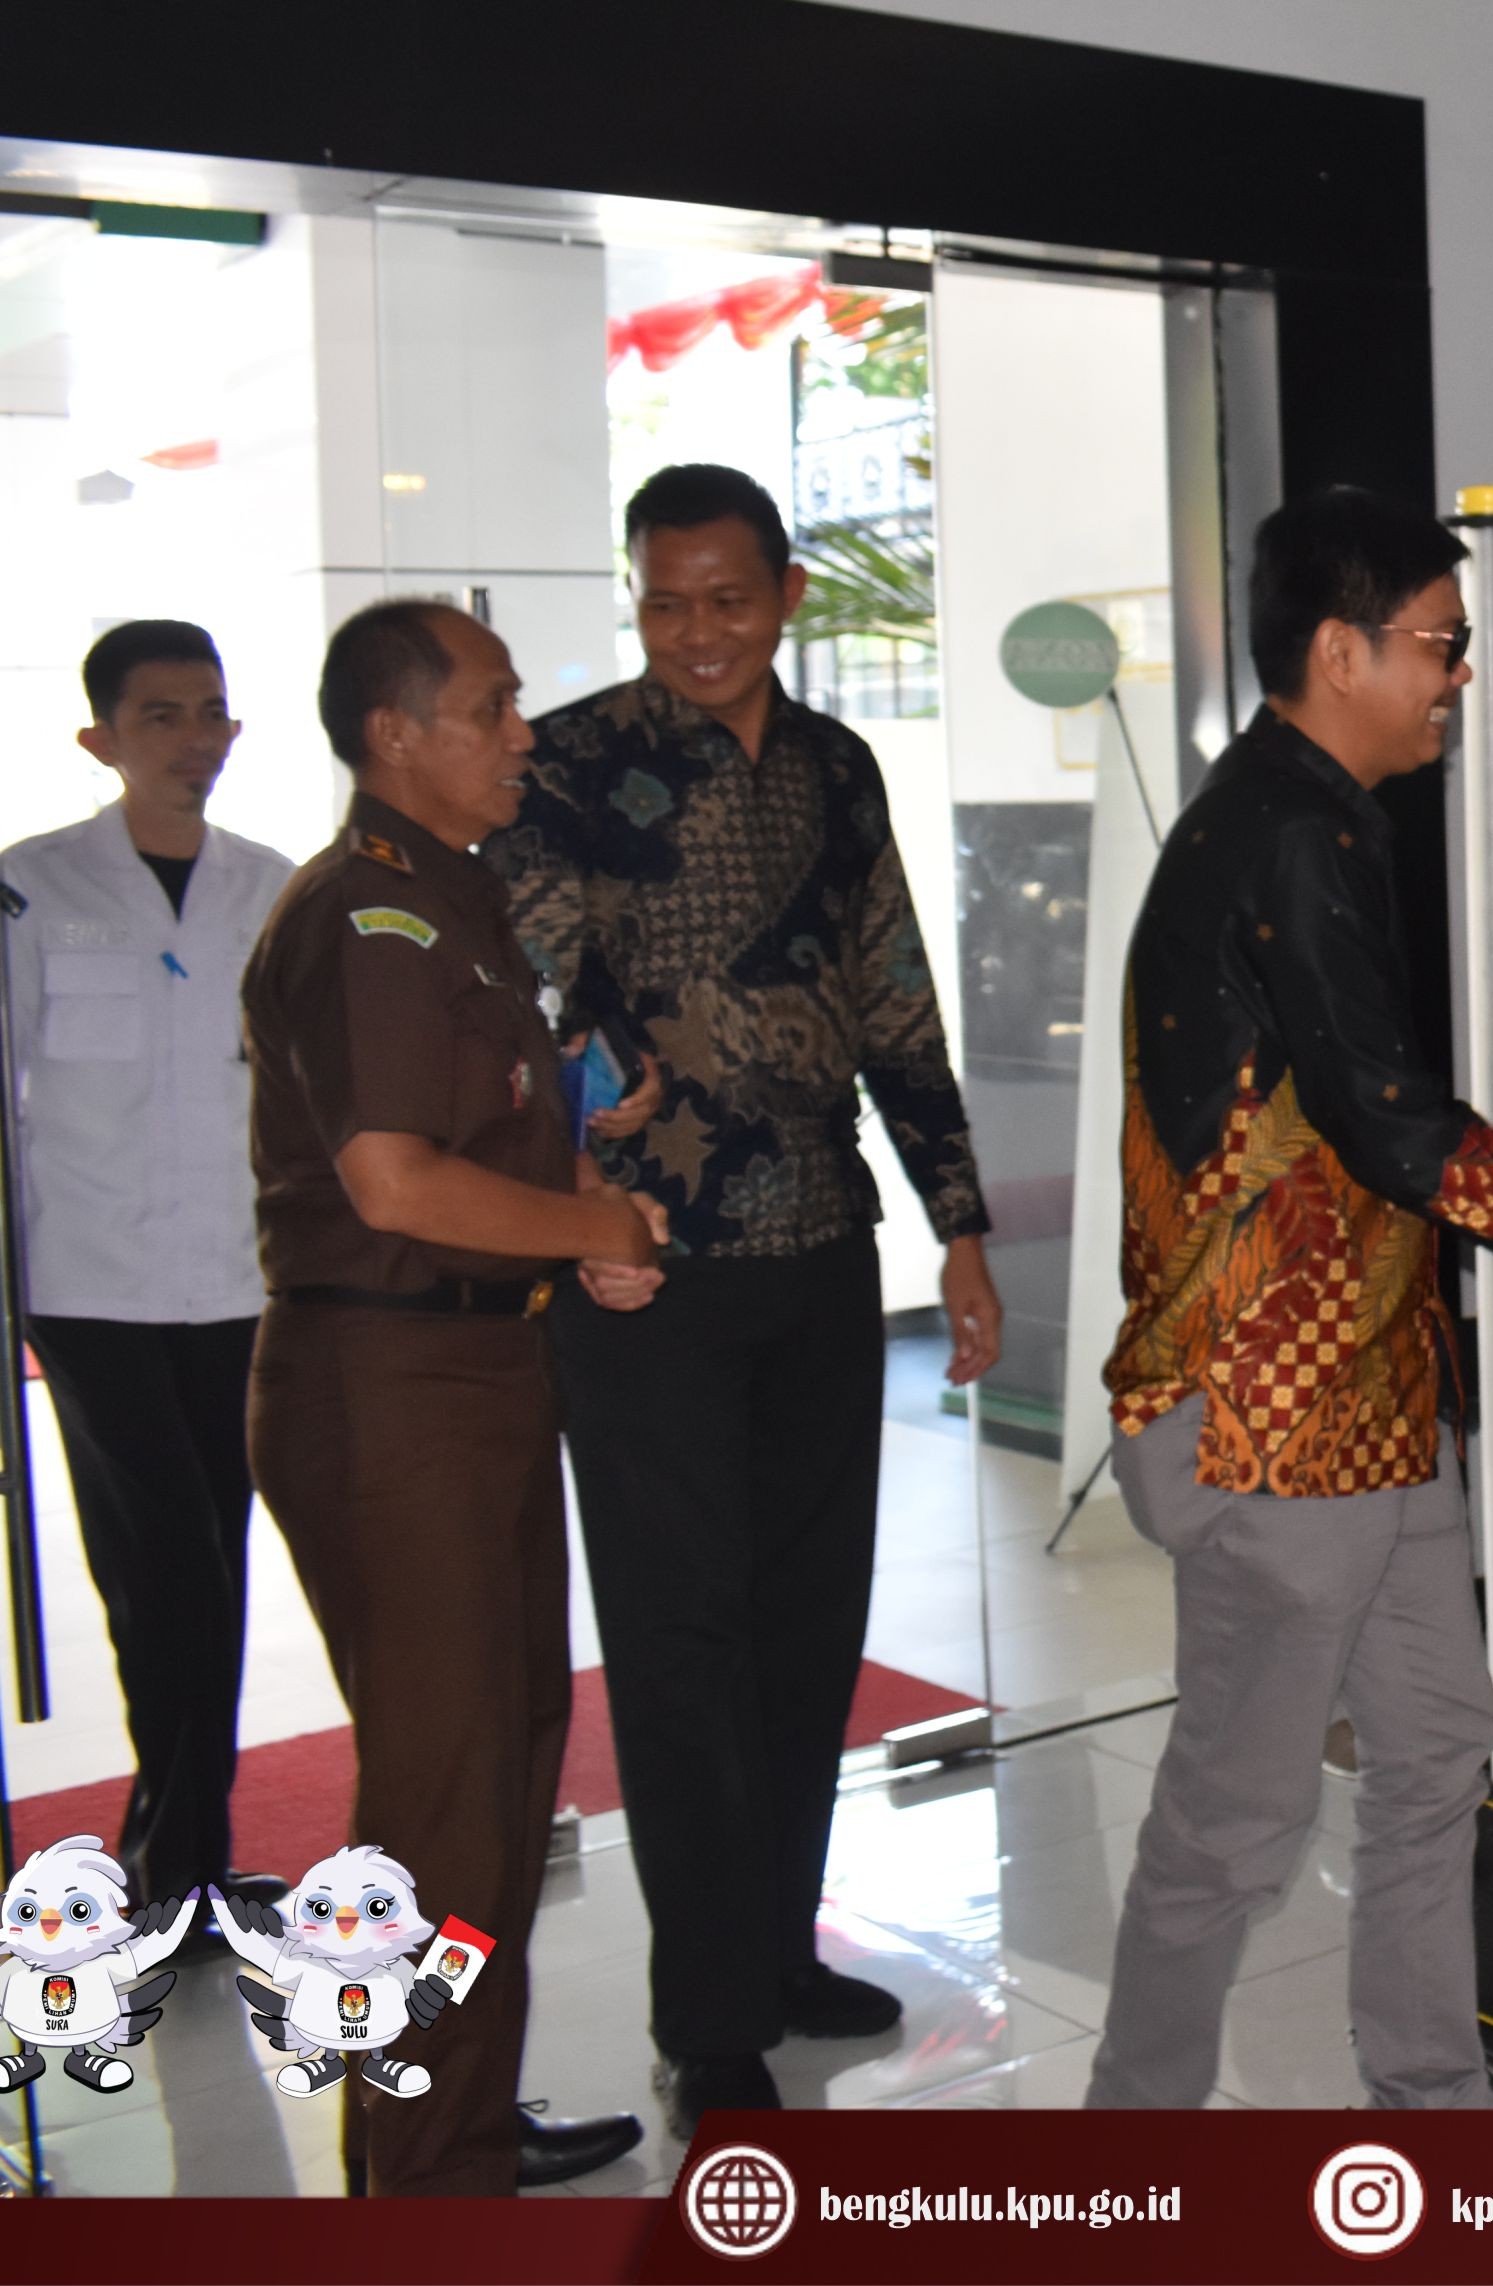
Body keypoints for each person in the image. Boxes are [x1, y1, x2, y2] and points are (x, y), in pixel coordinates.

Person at [1086, 486, 1493, 2111]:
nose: (1458, 674)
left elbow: (1368, 1107)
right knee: (1230, 1828)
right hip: (1268, 1421)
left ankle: (1428, 2099)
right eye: (1442, 641)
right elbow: (1386, 1121)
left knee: (1435, 1745)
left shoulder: (1318, 815)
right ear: (1341, 651)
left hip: (1371, 1402)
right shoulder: (1286, 827)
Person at [484, 463, 1002, 2137]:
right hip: (644, 1268)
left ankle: (781, 1948)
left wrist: (960, 1223)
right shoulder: (567, 762)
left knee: (805, 1619)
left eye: (726, 598)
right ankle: (707, 2012)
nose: (696, 631)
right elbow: (523, 990)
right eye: (664, 601)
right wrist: (588, 1099)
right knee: (681, 1638)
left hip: (821, 1245)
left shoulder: (840, 767)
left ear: (786, 593)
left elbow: (896, 995)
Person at [241, 598, 660, 2193]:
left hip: (471, 1370)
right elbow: (396, 1182)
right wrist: (592, 1229)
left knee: (495, 1776)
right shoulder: (370, 916)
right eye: (490, 706)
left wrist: (582, 1212)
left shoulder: (453, 896)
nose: (522, 733)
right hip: (388, 1384)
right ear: (393, 733)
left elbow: (476, 1147)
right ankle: (421, 2184)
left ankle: (462, 2123)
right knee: (441, 1799)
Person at [0, 622, 292, 1931]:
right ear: (100, 737)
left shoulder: (273, 887)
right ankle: (180, 1857)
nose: (194, 738)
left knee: (204, 1560)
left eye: (211, 711)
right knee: (166, 1565)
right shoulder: (28, 887)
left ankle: (184, 1856)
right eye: (161, 714)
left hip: (236, 1281)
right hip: (91, 1283)